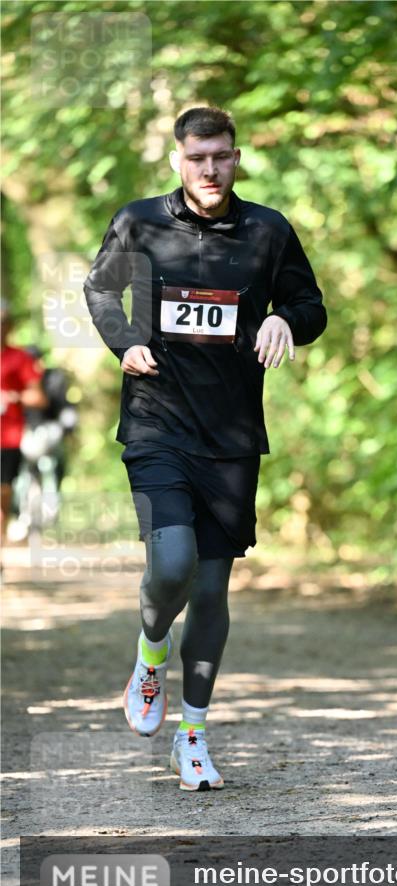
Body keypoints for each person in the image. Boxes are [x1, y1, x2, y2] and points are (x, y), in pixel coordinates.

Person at [83, 106, 327, 791]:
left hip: (232, 437)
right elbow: (101, 287)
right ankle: (148, 656)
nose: (210, 169)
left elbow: (312, 307)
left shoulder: (266, 231)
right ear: (178, 160)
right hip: (157, 423)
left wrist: (283, 317)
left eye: (221, 156)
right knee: (172, 564)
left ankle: (192, 736)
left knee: (213, 589)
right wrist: (124, 339)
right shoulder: (141, 221)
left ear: (237, 156)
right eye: (198, 158)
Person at [0, 301, 48, 553]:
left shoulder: (19, 358)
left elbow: (39, 398)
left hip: (7, 438)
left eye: (2, 322)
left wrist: (12, 397)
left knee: (2, 495)